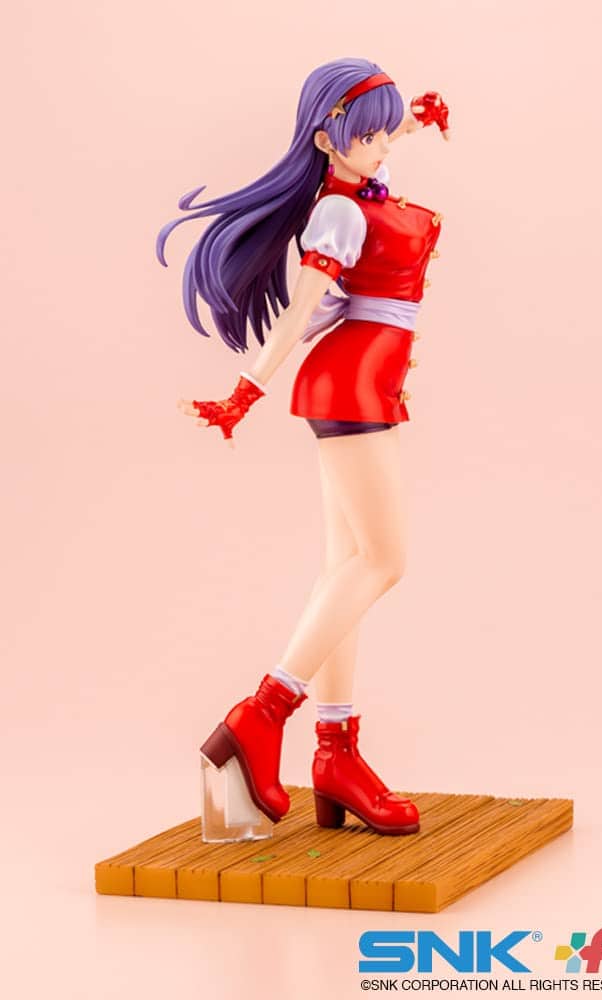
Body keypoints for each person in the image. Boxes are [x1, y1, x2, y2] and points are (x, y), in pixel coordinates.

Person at [156, 57, 449, 838]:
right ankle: (261, 713)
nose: (383, 147)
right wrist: (243, 391)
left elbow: (371, 138)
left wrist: (410, 118)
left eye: (386, 135)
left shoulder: (361, 184)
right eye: (370, 136)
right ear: (326, 139)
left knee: (342, 567)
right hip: (350, 383)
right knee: (384, 560)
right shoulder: (340, 214)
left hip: (364, 379)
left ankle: (335, 753)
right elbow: (300, 311)